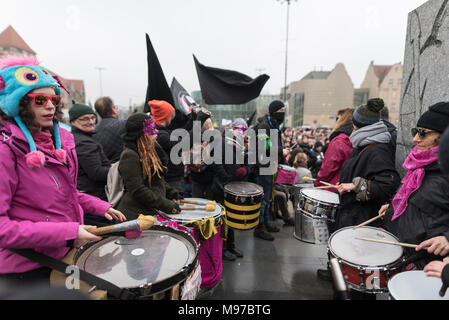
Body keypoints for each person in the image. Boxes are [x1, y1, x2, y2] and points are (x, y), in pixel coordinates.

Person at [0, 54, 125, 287]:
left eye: (53, 100)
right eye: (39, 100)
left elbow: (67, 195)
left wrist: (102, 206)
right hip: (25, 269)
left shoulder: (58, 143)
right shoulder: (5, 150)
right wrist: (69, 232)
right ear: (19, 103)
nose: (49, 105)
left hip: (58, 255)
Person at [382, 102, 449, 270]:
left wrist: (448, 238)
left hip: (433, 265)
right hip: (407, 257)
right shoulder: (419, 166)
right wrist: (392, 208)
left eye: (422, 133)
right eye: (415, 131)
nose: (415, 139)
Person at [116, 113, 183, 220]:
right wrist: (166, 205)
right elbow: (138, 190)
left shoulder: (148, 151)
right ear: (140, 134)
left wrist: (172, 193)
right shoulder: (130, 155)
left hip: (149, 212)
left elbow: (155, 178)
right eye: (151, 129)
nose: (156, 133)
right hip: (134, 216)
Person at [251, 101, 285, 241]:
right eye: (281, 110)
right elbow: (262, 148)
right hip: (263, 166)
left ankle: (265, 222)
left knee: (268, 197)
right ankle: (260, 227)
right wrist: (282, 150)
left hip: (270, 165)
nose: (283, 112)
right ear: (274, 111)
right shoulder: (264, 126)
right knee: (263, 198)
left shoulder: (275, 125)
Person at [70, 104, 111, 208]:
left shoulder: (76, 138)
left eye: (93, 118)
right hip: (93, 196)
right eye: (85, 119)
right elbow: (96, 173)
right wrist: (119, 168)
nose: (91, 122)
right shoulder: (84, 143)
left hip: (86, 194)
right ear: (73, 122)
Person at [314, 108, 354, 192]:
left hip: (334, 188)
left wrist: (318, 183)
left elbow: (329, 167)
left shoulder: (339, 140)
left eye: (338, 118)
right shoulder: (358, 139)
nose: (337, 121)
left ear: (343, 119)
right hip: (351, 187)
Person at [94, 96, 126, 163]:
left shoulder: (93, 130)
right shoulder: (124, 124)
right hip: (120, 167)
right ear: (113, 109)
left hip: (102, 168)